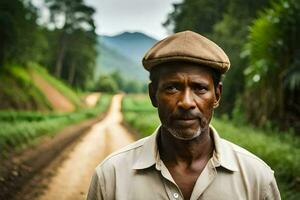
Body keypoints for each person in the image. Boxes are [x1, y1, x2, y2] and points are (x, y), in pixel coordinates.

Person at [87, 31, 281, 200]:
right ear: (153, 95)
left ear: (217, 95)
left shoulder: (257, 178)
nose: (186, 102)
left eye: (200, 88)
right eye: (172, 88)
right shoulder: (111, 176)